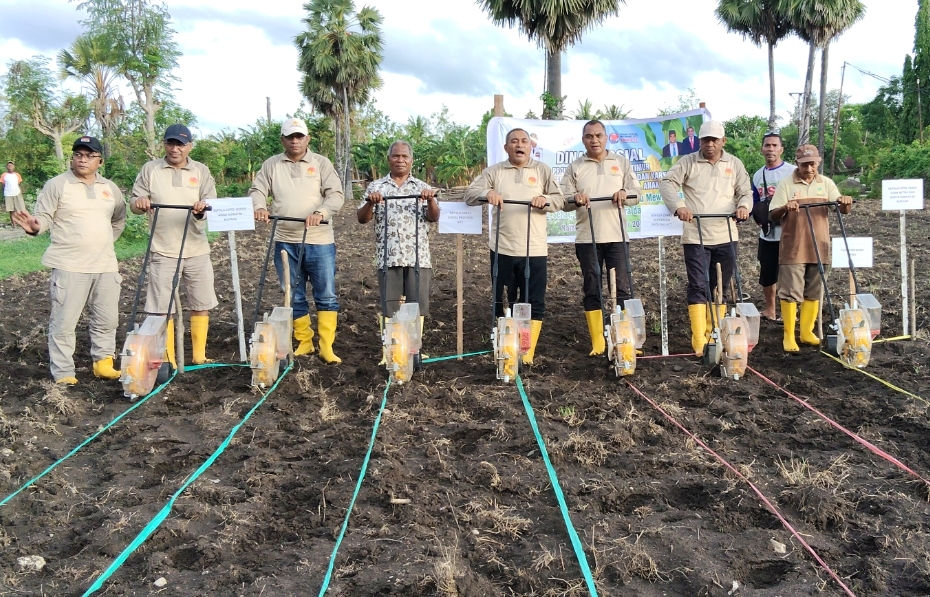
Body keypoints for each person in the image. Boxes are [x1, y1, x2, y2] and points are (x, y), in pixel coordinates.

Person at [12, 136, 126, 384]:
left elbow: (119, 218)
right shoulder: (57, 184)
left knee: (107, 319)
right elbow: (43, 216)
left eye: (89, 155)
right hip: (70, 265)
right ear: (72, 157)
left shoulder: (110, 188)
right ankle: (64, 373)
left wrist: (104, 241)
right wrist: (35, 226)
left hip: (105, 265)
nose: (82, 159)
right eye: (78, 154)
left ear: (100, 161)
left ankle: (103, 363)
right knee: (64, 323)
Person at [465, 128, 564, 365]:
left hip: (535, 248)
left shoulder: (542, 170)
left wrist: (545, 200)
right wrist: (487, 193)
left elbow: (560, 199)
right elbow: (469, 194)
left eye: (524, 142)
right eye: (513, 142)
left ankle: (526, 352)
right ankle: (504, 346)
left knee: (533, 300)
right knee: (501, 299)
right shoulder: (494, 172)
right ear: (506, 147)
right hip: (503, 247)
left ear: (531, 146)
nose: (519, 145)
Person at [251, 118, 345, 363]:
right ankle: (304, 341)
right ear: (282, 139)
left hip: (319, 239)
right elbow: (258, 190)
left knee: (325, 294)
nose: (295, 141)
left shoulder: (321, 163)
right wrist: (260, 207)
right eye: (290, 137)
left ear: (307, 139)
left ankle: (326, 347)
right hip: (285, 239)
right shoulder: (272, 164)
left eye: (299, 136)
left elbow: (335, 194)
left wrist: (320, 214)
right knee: (293, 293)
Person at [659, 120, 752, 355]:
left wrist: (743, 206)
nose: (709, 144)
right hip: (696, 234)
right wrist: (679, 206)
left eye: (714, 140)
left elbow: (745, 190)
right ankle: (698, 338)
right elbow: (667, 183)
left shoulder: (734, 163)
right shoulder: (688, 162)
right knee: (698, 285)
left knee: (719, 285)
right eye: (705, 140)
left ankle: (714, 332)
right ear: (699, 141)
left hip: (726, 232)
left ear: (723, 141)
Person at [130, 124, 217, 366]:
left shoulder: (201, 171)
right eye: (170, 143)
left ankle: (199, 355)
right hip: (162, 248)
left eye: (180, 144)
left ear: (190, 146)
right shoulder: (150, 169)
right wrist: (141, 202)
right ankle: (168, 358)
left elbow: (212, 203)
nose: (175, 148)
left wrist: (202, 208)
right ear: (164, 144)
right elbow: (134, 203)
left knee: (201, 302)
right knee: (161, 307)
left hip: (197, 247)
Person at [560, 119, 642, 356]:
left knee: (623, 289)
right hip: (588, 238)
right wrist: (575, 198)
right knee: (592, 287)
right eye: (589, 136)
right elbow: (562, 200)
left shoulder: (621, 162)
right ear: (583, 140)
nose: (594, 140)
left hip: (618, 236)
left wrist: (625, 193)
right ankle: (598, 342)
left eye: (598, 135)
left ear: (606, 138)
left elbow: (637, 194)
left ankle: (624, 338)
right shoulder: (575, 166)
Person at [768, 144, 852, 353]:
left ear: (818, 162)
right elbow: (772, 214)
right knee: (790, 292)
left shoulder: (827, 184)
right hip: (794, 247)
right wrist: (786, 207)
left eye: (812, 164)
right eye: (805, 164)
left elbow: (841, 208)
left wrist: (845, 201)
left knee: (814, 291)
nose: (809, 168)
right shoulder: (786, 185)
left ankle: (806, 331)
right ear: (797, 163)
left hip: (819, 246)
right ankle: (789, 335)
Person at [358, 140, 439, 328]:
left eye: (404, 156)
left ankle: (413, 350)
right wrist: (371, 202)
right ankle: (391, 350)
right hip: (388, 256)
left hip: (417, 257)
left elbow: (433, 217)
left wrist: (431, 200)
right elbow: (362, 218)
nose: (400, 160)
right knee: (390, 307)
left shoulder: (421, 187)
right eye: (396, 156)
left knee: (416, 306)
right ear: (389, 159)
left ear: (411, 160)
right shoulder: (376, 187)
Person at [751, 132, 795, 322]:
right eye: (767, 145)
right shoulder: (758, 175)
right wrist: (758, 218)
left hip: (790, 233)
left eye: (774, 145)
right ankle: (771, 310)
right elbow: (754, 200)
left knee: (792, 273)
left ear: (781, 149)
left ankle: (791, 312)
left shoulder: (792, 172)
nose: (771, 149)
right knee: (768, 272)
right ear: (762, 149)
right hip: (768, 233)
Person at [2, 161, 25, 228]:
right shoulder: (4, 175)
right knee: (11, 210)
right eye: (9, 166)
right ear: (7, 167)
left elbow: (19, 183)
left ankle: (22, 223)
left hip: (17, 193)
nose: (10, 167)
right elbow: (3, 184)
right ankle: (14, 225)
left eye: (11, 165)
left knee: (20, 209)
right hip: (8, 194)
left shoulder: (17, 175)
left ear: (14, 167)